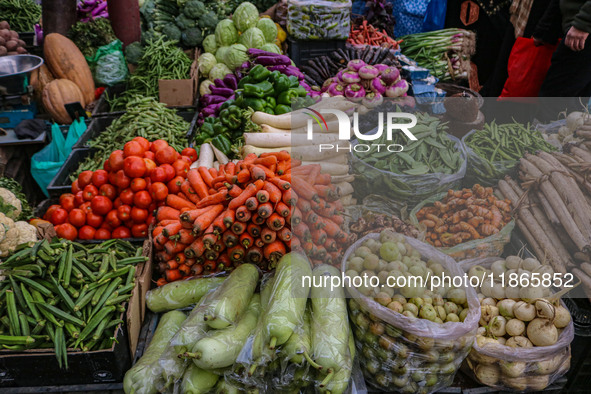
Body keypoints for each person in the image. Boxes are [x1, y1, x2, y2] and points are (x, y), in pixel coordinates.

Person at [535, 0, 591, 96]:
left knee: (554, 99)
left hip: (581, 33)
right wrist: (545, 29)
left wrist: (584, 23)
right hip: (577, 26)